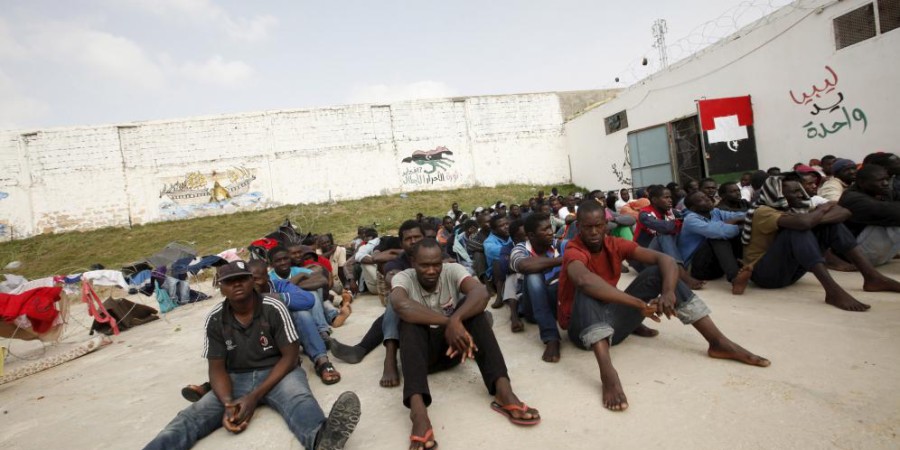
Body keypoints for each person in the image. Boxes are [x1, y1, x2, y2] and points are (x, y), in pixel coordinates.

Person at [558, 201, 769, 412]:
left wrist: (668, 292)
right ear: (578, 226)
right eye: (587, 227)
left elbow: (666, 259)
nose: (594, 232)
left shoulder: (614, 243)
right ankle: (608, 373)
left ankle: (718, 342)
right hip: (583, 331)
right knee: (586, 290)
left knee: (660, 273)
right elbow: (585, 281)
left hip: (612, 325)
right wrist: (638, 304)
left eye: (598, 226)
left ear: (606, 224)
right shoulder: (574, 250)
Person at [144, 261, 361, 450]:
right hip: (236, 378)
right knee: (191, 417)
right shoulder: (216, 319)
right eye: (229, 281)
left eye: (242, 279)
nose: (237, 284)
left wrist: (253, 397)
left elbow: (290, 356)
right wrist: (229, 404)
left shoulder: (274, 307)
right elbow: (216, 367)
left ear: (252, 281)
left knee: (300, 401)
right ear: (221, 288)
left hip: (279, 373)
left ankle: (323, 439)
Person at [392, 239, 540, 449]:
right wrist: (450, 322)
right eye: (424, 265)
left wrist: (456, 320)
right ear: (413, 262)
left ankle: (503, 391)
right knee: (409, 323)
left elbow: (481, 293)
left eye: (436, 264)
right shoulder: (403, 277)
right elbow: (401, 305)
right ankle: (418, 414)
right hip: (421, 357)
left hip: (454, 350)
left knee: (475, 312)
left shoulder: (452, 270)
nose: (432, 270)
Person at [739, 176, 900, 310]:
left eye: (800, 190)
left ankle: (872, 277)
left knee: (830, 225)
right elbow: (803, 224)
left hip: (789, 273)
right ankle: (832, 291)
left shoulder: (797, 208)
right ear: (778, 194)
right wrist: (822, 210)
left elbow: (844, 212)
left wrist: (815, 218)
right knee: (796, 230)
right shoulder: (763, 211)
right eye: (794, 192)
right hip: (764, 275)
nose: (801, 195)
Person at [329, 220, 425, 388]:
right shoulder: (397, 261)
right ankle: (389, 359)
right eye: (408, 238)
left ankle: (361, 349)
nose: (414, 241)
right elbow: (392, 277)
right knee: (395, 302)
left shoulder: (438, 253)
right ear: (401, 243)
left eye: (417, 237)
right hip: (412, 311)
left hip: (439, 307)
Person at [509, 213, 564, 362]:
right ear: (531, 236)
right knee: (533, 275)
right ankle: (551, 338)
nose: (550, 232)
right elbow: (524, 265)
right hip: (532, 308)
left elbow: (577, 251)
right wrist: (562, 260)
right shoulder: (520, 249)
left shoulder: (557, 243)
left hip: (555, 303)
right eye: (544, 229)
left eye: (550, 227)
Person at [632, 185, 705, 289]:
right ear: (654, 200)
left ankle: (686, 268)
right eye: (666, 197)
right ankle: (681, 273)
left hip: (664, 256)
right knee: (663, 234)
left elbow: (688, 215)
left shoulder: (671, 212)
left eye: (670, 197)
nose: (670, 200)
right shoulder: (645, 214)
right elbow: (664, 227)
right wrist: (679, 223)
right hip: (645, 258)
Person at [678, 191, 750, 294]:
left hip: (716, 266)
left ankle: (746, 267)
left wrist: (737, 219)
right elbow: (719, 232)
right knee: (716, 237)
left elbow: (742, 215)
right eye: (701, 200)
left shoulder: (715, 212)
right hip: (699, 268)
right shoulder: (690, 220)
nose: (707, 199)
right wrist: (733, 224)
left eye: (705, 196)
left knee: (741, 230)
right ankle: (735, 278)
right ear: (693, 208)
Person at [839, 164, 900, 266]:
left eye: (887, 179)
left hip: (880, 255)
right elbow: (893, 213)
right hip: (856, 257)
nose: (886, 183)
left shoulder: (883, 191)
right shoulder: (852, 198)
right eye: (880, 180)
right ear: (862, 183)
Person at [353, 228, 381, 294]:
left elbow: (357, 256)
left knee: (358, 265)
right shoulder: (363, 244)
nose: (364, 239)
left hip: (376, 283)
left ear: (370, 237)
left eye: (365, 237)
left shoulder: (371, 244)